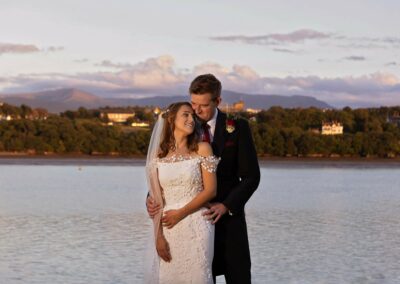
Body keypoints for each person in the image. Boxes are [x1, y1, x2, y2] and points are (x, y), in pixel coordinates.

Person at [147, 74, 260, 283]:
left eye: (203, 105)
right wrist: (150, 198)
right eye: (193, 104)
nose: (197, 111)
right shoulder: (186, 126)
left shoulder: (238, 127)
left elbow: (252, 177)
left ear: (218, 101)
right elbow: (171, 169)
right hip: (188, 226)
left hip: (229, 224)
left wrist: (226, 205)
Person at [144, 101, 220, 284]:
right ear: (171, 120)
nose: (191, 119)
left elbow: (211, 190)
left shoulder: (202, 149)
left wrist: (180, 213)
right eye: (185, 114)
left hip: (197, 224)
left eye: (192, 116)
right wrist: (158, 237)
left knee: (198, 276)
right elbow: (156, 200)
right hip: (168, 226)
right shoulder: (158, 156)